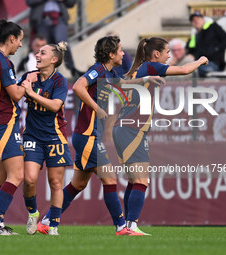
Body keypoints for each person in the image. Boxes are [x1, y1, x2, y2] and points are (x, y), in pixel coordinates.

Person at [36, 36, 163, 236]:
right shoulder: (99, 70)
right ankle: (122, 227)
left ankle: (45, 221)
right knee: (110, 179)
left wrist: (146, 79)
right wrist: (96, 108)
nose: (123, 54)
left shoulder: (109, 73)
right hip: (87, 136)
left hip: (87, 135)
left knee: (78, 184)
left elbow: (123, 83)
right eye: (120, 50)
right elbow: (78, 86)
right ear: (111, 54)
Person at [113, 37, 208, 235]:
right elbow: (183, 70)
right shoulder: (150, 67)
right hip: (132, 129)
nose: (168, 56)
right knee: (141, 180)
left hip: (124, 127)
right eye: (166, 52)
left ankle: (126, 227)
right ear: (156, 54)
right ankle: (131, 225)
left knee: (134, 180)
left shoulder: (138, 69)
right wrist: (199, 61)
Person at [0, 19, 38, 236]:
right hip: (5, 122)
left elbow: (4, 87)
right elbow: (14, 95)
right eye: (20, 40)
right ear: (11, 38)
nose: (21, 45)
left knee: (0, 178)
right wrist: (27, 82)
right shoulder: (3, 62)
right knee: (17, 176)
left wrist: (19, 81)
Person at [20, 42, 73, 236]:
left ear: (54, 59)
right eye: (38, 52)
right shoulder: (29, 77)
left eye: (43, 52)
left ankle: (53, 226)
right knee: (29, 179)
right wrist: (24, 84)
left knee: (56, 183)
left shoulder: (60, 81)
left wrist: (31, 93)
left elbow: (55, 106)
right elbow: (16, 94)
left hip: (54, 136)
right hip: (32, 134)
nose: (37, 54)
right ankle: (33, 213)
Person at [26, 0, 82, 78]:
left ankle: (72, 69)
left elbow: (71, 3)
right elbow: (29, 2)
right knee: (42, 47)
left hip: (59, 18)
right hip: (41, 20)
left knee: (62, 43)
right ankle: (42, 74)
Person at [186, 11, 226, 77]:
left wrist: (215, 49)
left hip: (213, 63)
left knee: (192, 71)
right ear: (192, 24)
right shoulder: (194, 37)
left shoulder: (213, 27)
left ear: (203, 20)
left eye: (198, 19)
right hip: (199, 63)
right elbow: (189, 50)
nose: (196, 21)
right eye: (193, 20)